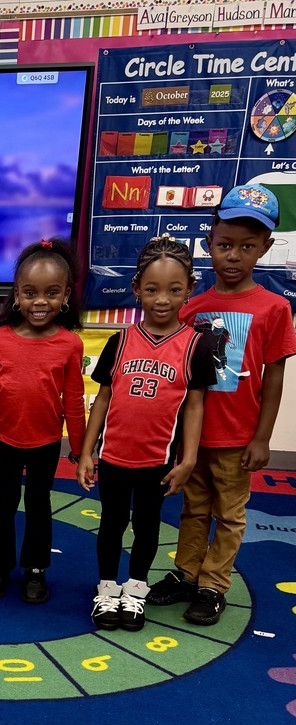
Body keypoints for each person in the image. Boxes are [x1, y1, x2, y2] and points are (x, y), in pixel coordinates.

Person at [148, 184, 296, 625]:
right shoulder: (192, 307)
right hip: (194, 438)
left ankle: (214, 585)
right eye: (225, 245)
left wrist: (263, 436)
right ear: (208, 243)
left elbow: (274, 377)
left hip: (238, 438)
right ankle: (186, 573)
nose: (234, 256)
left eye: (247, 247)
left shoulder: (274, 309)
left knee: (229, 515)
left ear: (265, 248)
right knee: (193, 507)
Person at [78, 236, 216, 632]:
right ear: (136, 288)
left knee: (148, 525)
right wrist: (86, 452)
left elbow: (194, 405)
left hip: (157, 461)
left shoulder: (194, 346)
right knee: (111, 523)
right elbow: (102, 399)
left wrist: (188, 459)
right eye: (152, 289)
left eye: (174, 290)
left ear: (190, 289)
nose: (162, 299)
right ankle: (106, 590)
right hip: (115, 457)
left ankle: (135, 591)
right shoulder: (119, 341)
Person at [0, 238, 86, 604]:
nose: (40, 302)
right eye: (30, 292)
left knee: (39, 504)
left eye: (51, 293)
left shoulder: (69, 344)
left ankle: (35, 570)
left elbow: (73, 400)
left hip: (46, 443)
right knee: (3, 503)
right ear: (17, 294)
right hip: (6, 442)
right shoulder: (0, 339)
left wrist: (79, 447)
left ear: (65, 297)